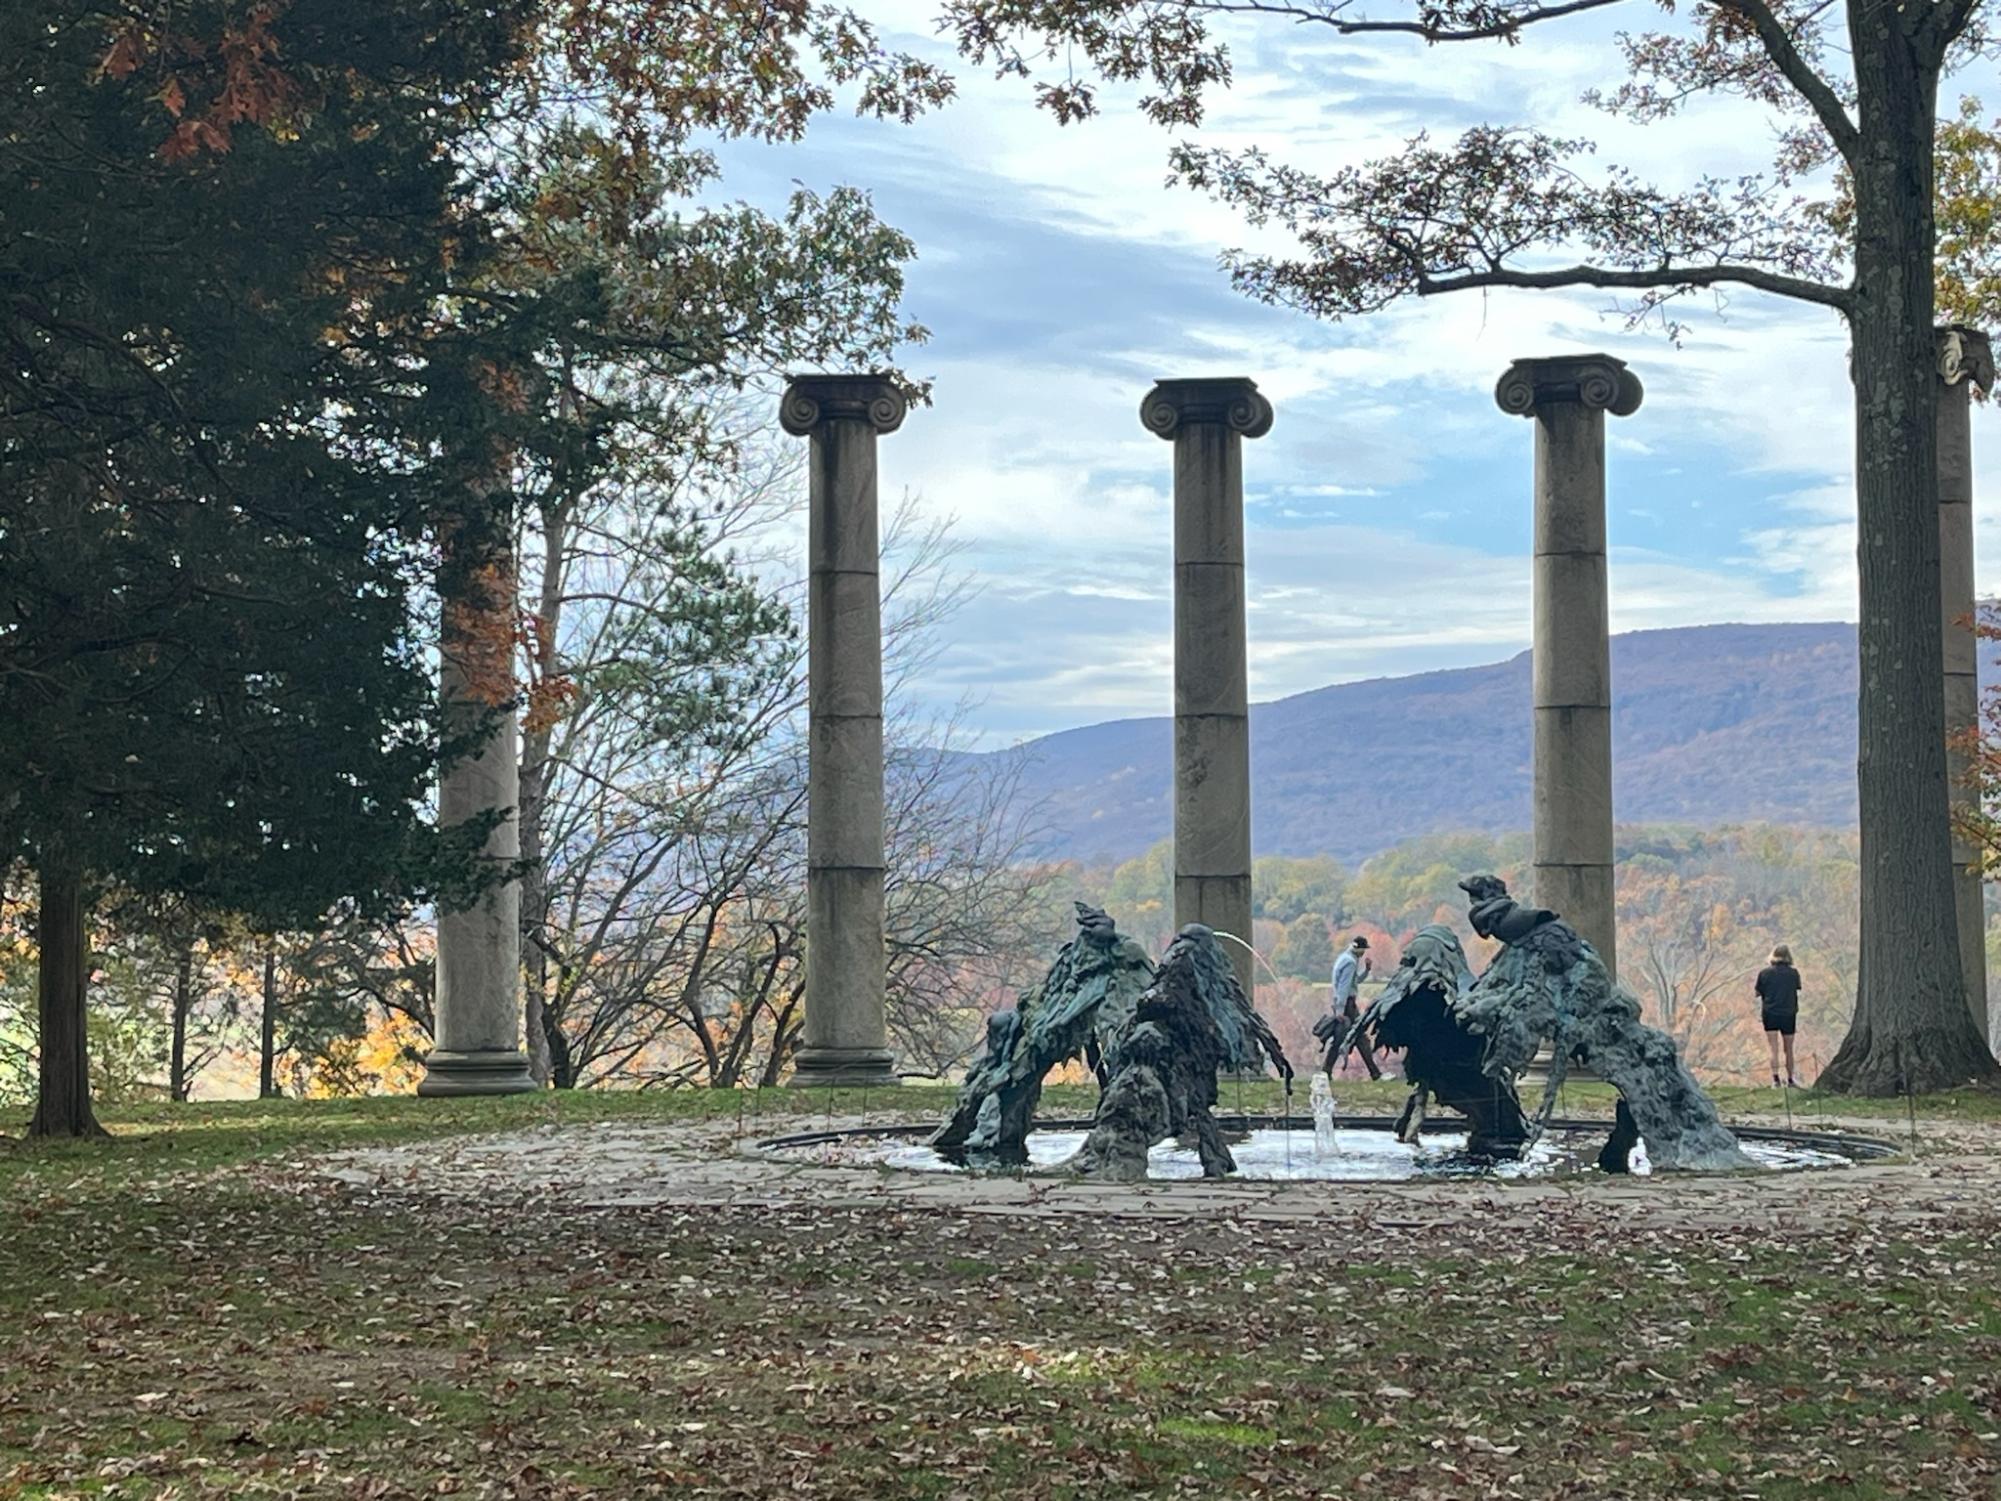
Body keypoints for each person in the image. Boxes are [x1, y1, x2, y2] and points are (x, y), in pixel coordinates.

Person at [1326, 936, 1381, 1080]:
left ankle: (1326, 1070)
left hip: (1344, 1003)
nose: (1364, 953)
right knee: (1355, 1036)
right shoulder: (1350, 962)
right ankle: (1374, 1072)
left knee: (1350, 1037)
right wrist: (1340, 1010)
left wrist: (1366, 971)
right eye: (1363, 949)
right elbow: (1344, 987)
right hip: (1347, 1004)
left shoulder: (1345, 958)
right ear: (1358, 949)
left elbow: (1354, 981)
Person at [1755, 944, 1803, 1088]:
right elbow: (1797, 988)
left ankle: (1775, 1080)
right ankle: (1790, 1079)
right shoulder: (1793, 973)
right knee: (1789, 1048)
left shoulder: (1764, 973)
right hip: (1788, 1013)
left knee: (1773, 1048)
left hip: (1770, 1013)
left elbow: (1758, 993)